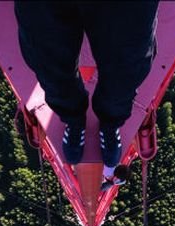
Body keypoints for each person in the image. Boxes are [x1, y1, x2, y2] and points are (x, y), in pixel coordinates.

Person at [14, 1, 159, 190]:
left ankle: (108, 122)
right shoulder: (113, 177)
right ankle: (76, 119)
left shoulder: (112, 178)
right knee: (49, 63)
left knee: (125, 67)